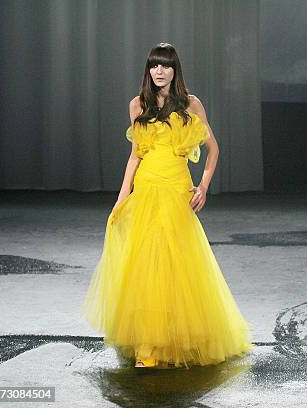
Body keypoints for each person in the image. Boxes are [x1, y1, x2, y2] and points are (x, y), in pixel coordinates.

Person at [80, 43, 253, 369]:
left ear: (175, 70)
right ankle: (148, 344)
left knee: (177, 265)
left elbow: (213, 149)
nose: (159, 71)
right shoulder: (138, 105)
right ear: (149, 70)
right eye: (154, 65)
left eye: (166, 65)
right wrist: (121, 198)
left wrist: (202, 186)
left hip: (176, 191)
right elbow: (135, 155)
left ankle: (175, 337)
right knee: (147, 264)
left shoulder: (191, 104)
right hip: (146, 189)